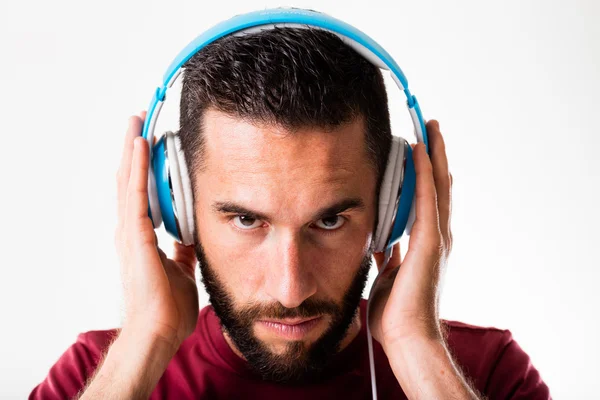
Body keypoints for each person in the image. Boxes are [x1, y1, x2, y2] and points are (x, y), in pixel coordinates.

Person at [30, 27, 551, 399]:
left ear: (396, 206)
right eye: (246, 220)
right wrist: (144, 345)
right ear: (175, 209)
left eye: (329, 221)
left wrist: (417, 352)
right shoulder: (98, 376)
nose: (290, 289)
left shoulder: (485, 374)